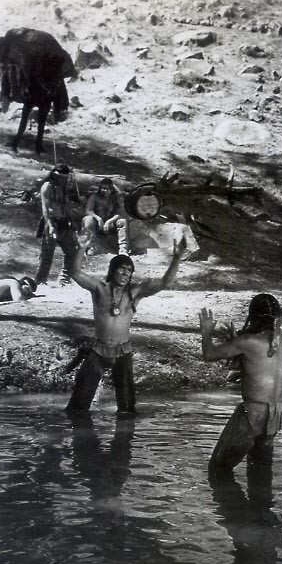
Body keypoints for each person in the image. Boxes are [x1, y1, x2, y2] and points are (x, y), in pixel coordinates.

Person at [64, 237, 187, 414]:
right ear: (113, 270)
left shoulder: (134, 292)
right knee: (78, 406)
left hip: (123, 351)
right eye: (122, 269)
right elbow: (75, 273)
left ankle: (124, 436)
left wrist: (176, 258)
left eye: (129, 271)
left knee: (127, 408)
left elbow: (164, 283)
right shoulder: (100, 288)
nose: (126, 273)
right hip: (98, 350)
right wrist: (81, 247)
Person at [199, 294, 282, 490]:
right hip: (276, 414)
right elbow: (258, 368)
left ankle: (235, 516)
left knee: (218, 468)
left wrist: (206, 331)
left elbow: (209, 354)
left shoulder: (248, 341)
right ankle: (261, 514)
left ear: (253, 315)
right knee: (260, 469)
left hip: (253, 413)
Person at [35, 163, 81, 286]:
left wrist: (71, 220)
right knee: (47, 253)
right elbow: (45, 208)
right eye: (60, 177)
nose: (62, 180)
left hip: (64, 222)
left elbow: (67, 205)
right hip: (52, 221)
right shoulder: (47, 187)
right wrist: (49, 225)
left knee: (72, 250)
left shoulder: (64, 188)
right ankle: (40, 280)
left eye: (64, 178)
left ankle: (64, 279)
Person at [80, 177, 129, 256]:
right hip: (97, 223)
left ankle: (123, 249)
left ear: (111, 189)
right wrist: (98, 218)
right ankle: (91, 246)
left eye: (107, 189)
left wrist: (109, 221)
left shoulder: (115, 198)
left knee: (122, 221)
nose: (105, 191)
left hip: (110, 223)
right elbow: (88, 210)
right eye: (103, 188)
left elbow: (120, 213)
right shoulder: (94, 197)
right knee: (88, 219)